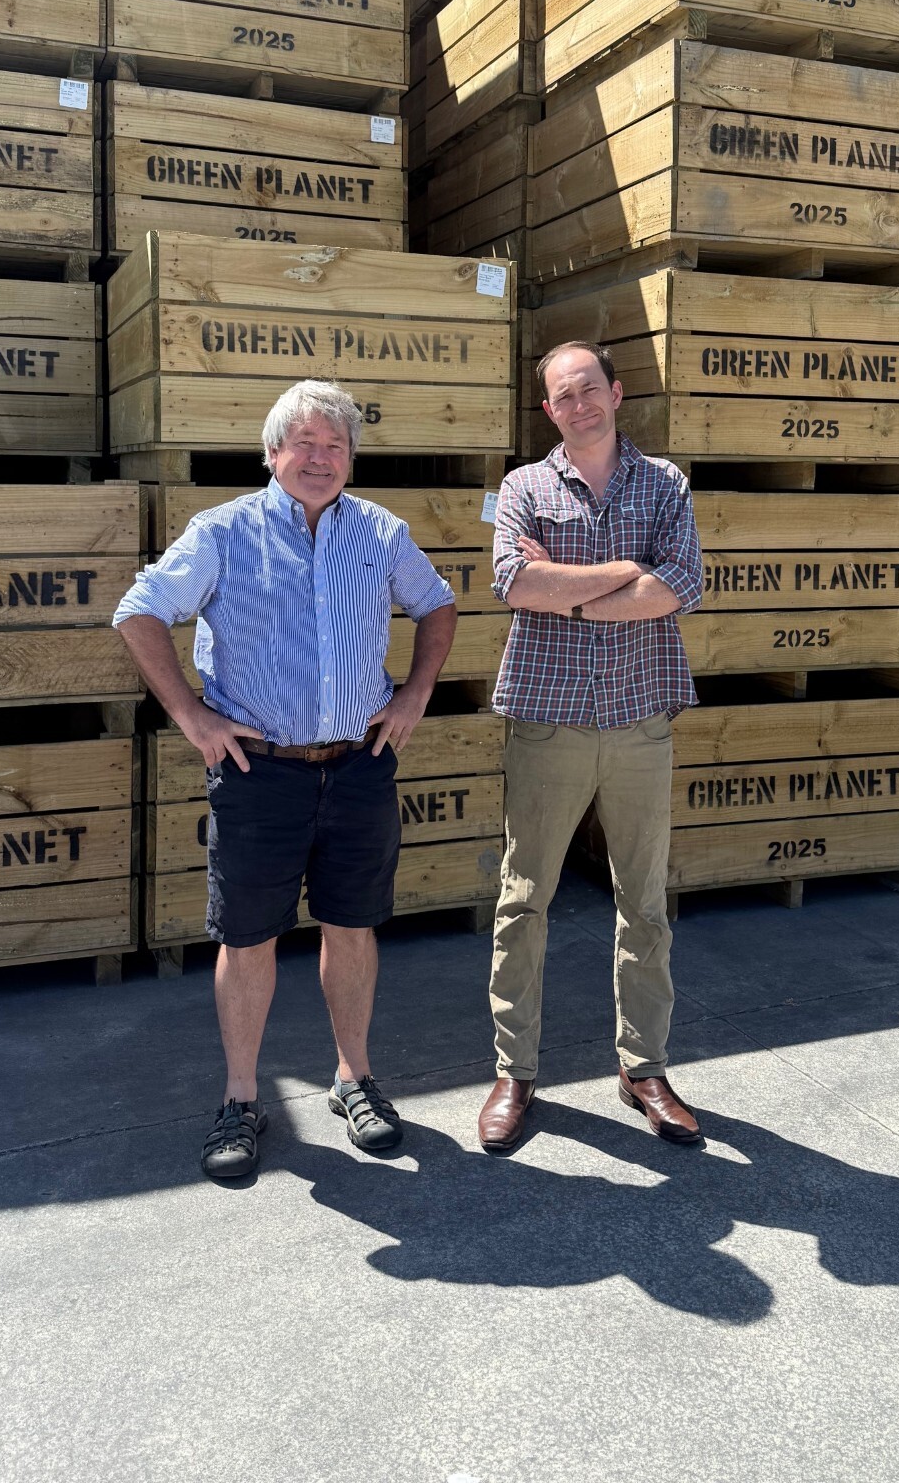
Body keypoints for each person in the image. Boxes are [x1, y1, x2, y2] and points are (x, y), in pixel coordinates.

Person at [114, 380, 457, 1179]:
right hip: (258, 772)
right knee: (247, 938)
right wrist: (192, 717)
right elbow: (138, 612)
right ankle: (240, 1098)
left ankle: (354, 1079)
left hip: (359, 766)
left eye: (336, 446)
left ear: (351, 460)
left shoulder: (380, 532)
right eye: (305, 443)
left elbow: (437, 606)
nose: (321, 458)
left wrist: (416, 693)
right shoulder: (223, 532)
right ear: (272, 453)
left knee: (353, 926)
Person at [478, 340, 705, 1154]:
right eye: (561, 397)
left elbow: (682, 583)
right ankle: (515, 1072)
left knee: (644, 903)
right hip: (548, 719)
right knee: (523, 899)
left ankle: (645, 1069)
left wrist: (568, 592)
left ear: (616, 393)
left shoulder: (666, 483)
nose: (578, 406)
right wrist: (624, 571)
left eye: (588, 390)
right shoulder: (523, 487)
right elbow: (514, 582)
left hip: (641, 719)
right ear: (548, 411)